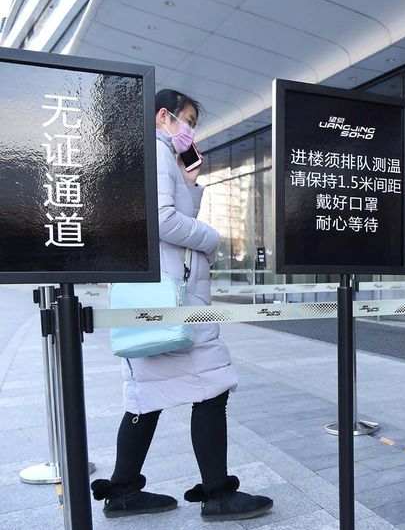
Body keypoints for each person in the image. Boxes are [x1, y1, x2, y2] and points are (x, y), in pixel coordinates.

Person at [90, 89, 273, 521]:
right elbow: (165, 223)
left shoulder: (146, 158)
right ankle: (218, 494)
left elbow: (170, 215)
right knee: (211, 388)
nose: (189, 129)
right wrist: (213, 240)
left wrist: (189, 181)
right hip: (175, 296)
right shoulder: (153, 153)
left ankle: (122, 491)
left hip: (156, 292)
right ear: (163, 116)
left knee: (145, 396)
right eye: (186, 119)